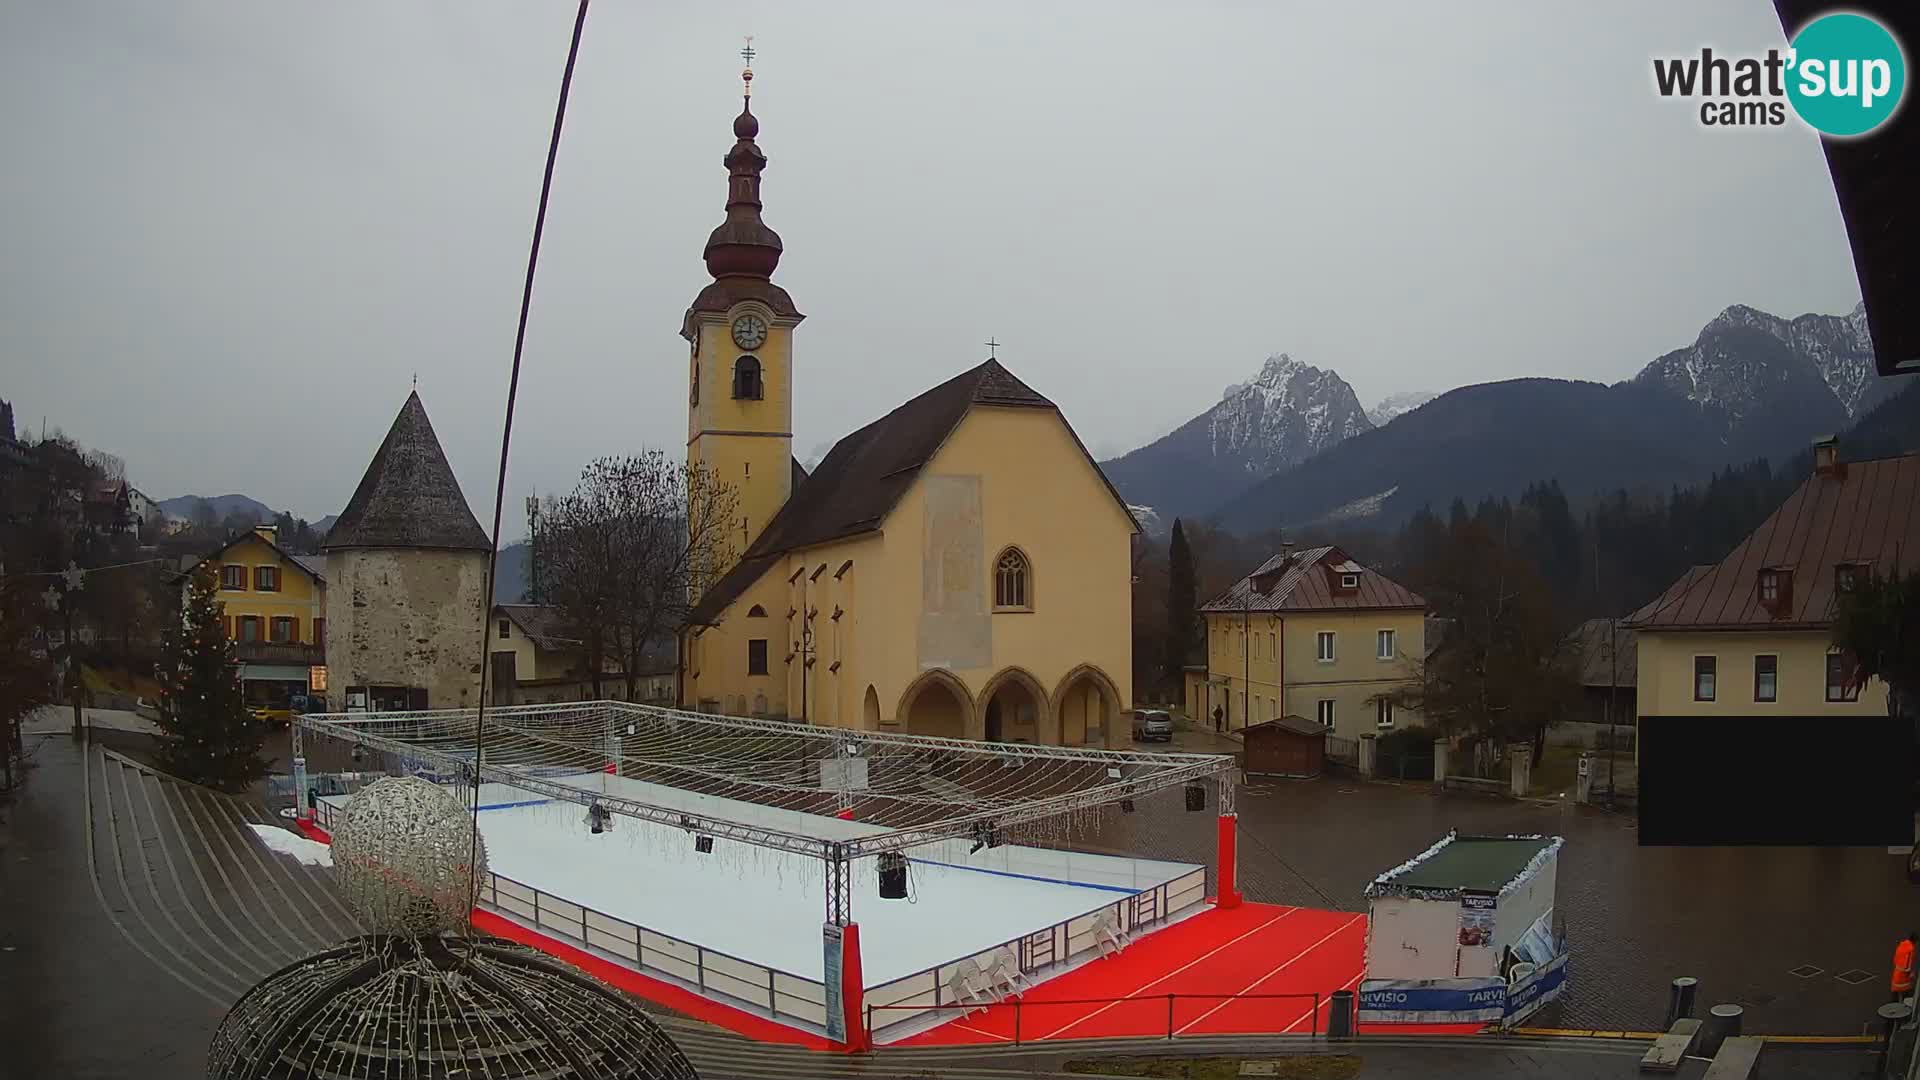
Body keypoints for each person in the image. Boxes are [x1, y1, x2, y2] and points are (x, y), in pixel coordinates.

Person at [1893, 931, 1916, 1005]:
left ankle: (1899, 1003)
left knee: (1898, 991)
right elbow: (1907, 966)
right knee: (1907, 990)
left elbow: (1895, 959)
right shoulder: (1910, 949)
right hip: (1903, 976)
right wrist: (1911, 973)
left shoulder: (1902, 945)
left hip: (1897, 972)